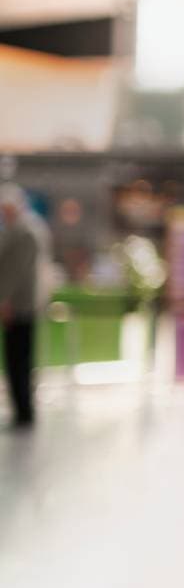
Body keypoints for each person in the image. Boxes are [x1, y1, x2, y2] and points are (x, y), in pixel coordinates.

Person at [0, 183, 50, 430]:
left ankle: (24, 412)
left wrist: (4, 300)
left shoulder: (24, 231)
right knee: (18, 360)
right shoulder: (25, 228)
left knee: (19, 360)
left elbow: (15, 272)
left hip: (21, 306)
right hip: (21, 304)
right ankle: (22, 411)